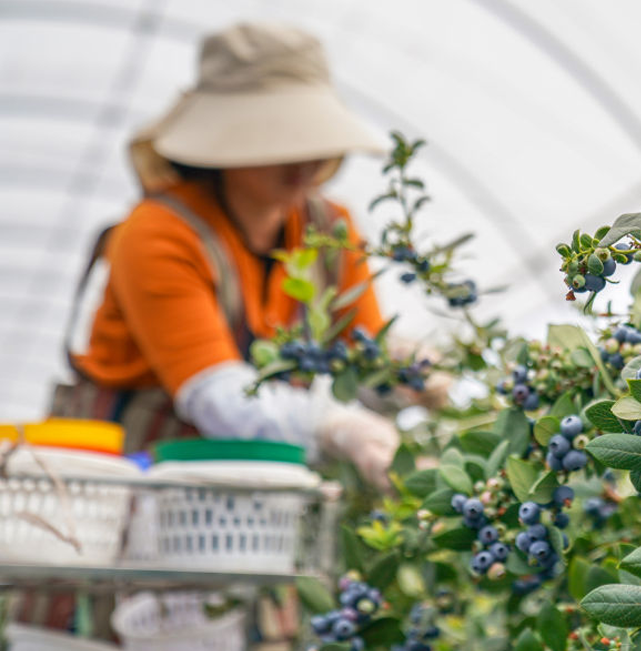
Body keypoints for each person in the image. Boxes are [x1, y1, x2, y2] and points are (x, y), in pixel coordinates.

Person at [52, 22, 400, 489]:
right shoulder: (158, 231)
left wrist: (409, 376)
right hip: (134, 489)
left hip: (265, 500)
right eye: (282, 137)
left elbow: (367, 362)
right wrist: (334, 426)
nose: (307, 157)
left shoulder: (329, 233)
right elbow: (217, 396)